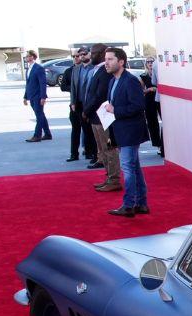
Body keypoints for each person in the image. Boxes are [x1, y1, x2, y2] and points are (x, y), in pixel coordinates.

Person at [103, 48, 149, 217]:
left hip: (130, 131)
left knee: (128, 168)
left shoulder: (130, 80)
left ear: (121, 62)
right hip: (120, 131)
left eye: (110, 59)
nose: (106, 63)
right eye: (105, 59)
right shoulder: (113, 81)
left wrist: (116, 110)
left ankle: (129, 205)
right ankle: (141, 203)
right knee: (134, 168)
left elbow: (138, 106)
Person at [83, 44, 121, 190]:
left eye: (94, 53)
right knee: (102, 150)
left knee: (108, 149)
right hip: (94, 117)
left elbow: (99, 96)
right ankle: (109, 177)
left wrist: (86, 111)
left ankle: (114, 180)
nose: (90, 55)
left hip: (103, 117)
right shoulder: (96, 70)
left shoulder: (105, 71)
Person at [64, 48, 88, 162]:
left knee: (87, 130)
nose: (76, 58)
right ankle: (74, 153)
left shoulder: (88, 69)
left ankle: (89, 151)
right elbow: (64, 86)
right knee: (75, 130)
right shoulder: (70, 71)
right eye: (74, 56)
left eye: (78, 56)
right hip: (74, 104)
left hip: (85, 104)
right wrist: (74, 92)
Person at [22, 51, 52, 142]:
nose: (26, 58)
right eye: (26, 56)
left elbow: (42, 83)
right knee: (41, 115)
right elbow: (28, 84)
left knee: (39, 116)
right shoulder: (29, 68)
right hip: (31, 96)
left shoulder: (39, 68)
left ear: (32, 57)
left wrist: (43, 97)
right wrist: (25, 96)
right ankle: (47, 134)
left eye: (27, 56)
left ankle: (37, 135)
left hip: (38, 96)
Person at [141, 58, 163, 158]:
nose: (150, 63)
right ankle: (158, 144)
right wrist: (149, 89)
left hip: (159, 100)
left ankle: (162, 144)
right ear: (146, 64)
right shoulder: (143, 76)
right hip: (149, 100)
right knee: (152, 123)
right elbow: (140, 91)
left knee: (163, 120)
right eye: (148, 62)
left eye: (151, 61)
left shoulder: (161, 73)